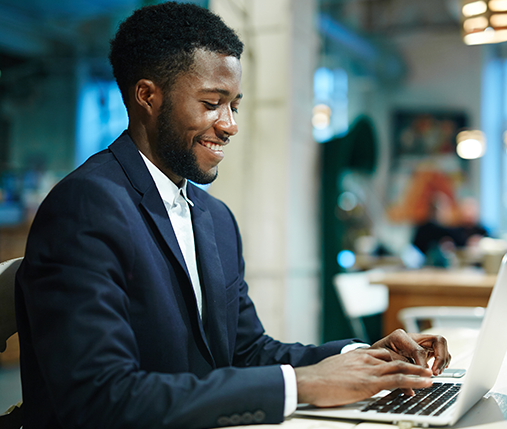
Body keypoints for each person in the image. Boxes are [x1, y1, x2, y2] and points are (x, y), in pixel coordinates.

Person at [14, 3, 450, 428]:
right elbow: (98, 399)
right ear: (147, 96)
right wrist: (298, 385)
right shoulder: (84, 207)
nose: (230, 124)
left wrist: (361, 358)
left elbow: (247, 351)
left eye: (234, 105)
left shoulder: (214, 217)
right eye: (211, 102)